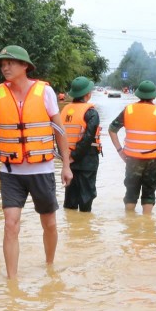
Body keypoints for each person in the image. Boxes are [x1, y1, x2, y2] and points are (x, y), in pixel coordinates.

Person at [0, 45, 72, 280]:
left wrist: (66, 165)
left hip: (41, 170)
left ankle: (49, 266)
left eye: (10, 63)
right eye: (2, 65)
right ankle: (12, 281)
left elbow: (59, 131)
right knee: (10, 224)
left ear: (25, 66)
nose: (5, 68)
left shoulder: (45, 92)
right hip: (11, 172)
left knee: (49, 223)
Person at [108, 80, 156, 214]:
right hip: (153, 160)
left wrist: (120, 151)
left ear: (138, 94)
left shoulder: (128, 110)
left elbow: (112, 130)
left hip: (131, 159)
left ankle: (129, 222)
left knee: (131, 193)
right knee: (149, 194)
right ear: (154, 96)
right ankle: (147, 223)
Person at [60, 75, 102, 213]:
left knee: (70, 196)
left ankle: (71, 223)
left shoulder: (64, 110)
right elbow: (88, 138)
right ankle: (84, 222)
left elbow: (57, 135)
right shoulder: (91, 112)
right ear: (87, 94)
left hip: (68, 158)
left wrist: (67, 157)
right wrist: (75, 156)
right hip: (86, 159)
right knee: (86, 196)